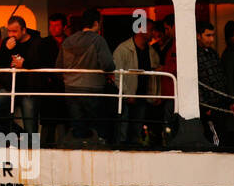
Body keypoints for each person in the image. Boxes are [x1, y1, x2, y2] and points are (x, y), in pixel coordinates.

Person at [56, 8, 116, 143]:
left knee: (78, 128)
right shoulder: (98, 40)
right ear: (96, 23)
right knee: (99, 127)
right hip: (93, 89)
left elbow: (58, 67)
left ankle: (79, 150)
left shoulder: (68, 41)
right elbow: (108, 66)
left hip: (71, 89)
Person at [113, 27, 159, 145]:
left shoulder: (152, 51)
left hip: (143, 96)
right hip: (126, 97)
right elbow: (116, 75)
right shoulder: (122, 49)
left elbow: (156, 74)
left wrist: (155, 94)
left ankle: (134, 149)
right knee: (123, 129)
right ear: (141, 30)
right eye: (151, 30)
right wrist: (126, 93)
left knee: (136, 131)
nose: (153, 33)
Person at [2, 16, 42, 136]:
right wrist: (6, 49)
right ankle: (19, 133)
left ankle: (32, 146)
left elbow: (42, 63)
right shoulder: (7, 42)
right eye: (9, 31)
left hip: (29, 90)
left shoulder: (37, 43)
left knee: (31, 127)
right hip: (10, 89)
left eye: (14, 31)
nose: (11, 34)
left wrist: (24, 64)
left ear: (24, 30)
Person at [196, 21, 230, 144]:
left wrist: (228, 100)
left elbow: (220, 77)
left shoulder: (213, 53)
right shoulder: (193, 55)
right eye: (208, 35)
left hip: (220, 103)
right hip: (207, 105)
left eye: (213, 35)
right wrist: (205, 106)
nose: (211, 39)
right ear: (198, 36)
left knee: (222, 133)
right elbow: (196, 83)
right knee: (214, 137)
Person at [37, 13, 68, 141]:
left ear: (64, 27)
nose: (53, 28)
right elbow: (39, 63)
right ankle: (44, 150)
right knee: (48, 124)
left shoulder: (70, 42)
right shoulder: (44, 43)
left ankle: (64, 149)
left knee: (64, 122)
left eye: (56, 25)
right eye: (51, 25)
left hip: (66, 87)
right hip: (48, 88)